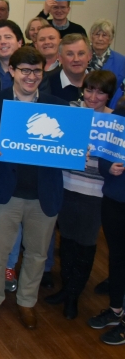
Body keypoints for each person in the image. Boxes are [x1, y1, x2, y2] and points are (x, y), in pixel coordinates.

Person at [0, 47, 68, 330]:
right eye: (25, 70)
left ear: (43, 73)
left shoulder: (59, 107)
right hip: (6, 191)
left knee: (37, 253)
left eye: (37, 71)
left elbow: (66, 147)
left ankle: (27, 301)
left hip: (44, 193)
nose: (31, 77)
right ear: (12, 72)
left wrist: (76, 150)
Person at [43, 70, 117, 319]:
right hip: (66, 185)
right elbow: (55, 146)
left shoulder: (116, 122)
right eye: (89, 90)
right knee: (68, 241)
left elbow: (116, 159)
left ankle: (73, 295)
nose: (93, 96)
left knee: (86, 244)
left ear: (109, 95)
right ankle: (66, 288)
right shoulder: (71, 112)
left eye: (100, 92)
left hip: (95, 193)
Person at [94, 105, 125, 344]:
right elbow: (105, 153)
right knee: (116, 257)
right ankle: (116, 310)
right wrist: (107, 167)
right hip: (115, 197)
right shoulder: (119, 115)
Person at [40, 34, 91, 102]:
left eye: (81, 53)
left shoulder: (100, 84)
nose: (76, 59)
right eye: (70, 54)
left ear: (89, 56)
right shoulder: (46, 83)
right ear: (60, 58)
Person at [89, 19, 125, 105]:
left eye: (104, 35)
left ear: (111, 40)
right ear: (91, 37)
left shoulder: (121, 61)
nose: (100, 38)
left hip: (111, 108)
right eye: (97, 34)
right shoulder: (81, 56)